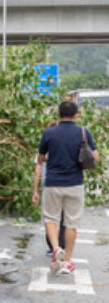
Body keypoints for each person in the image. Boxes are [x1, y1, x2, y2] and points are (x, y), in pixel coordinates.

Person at [37, 101, 99, 275]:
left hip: (53, 183)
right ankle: (67, 262)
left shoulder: (49, 133)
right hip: (75, 184)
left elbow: (41, 158)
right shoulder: (83, 132)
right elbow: (95, 158)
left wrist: (55, 158)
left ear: (58, 115)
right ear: (75, 116)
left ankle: (56, 248)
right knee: (71, 223)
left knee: (51, 219)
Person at [32, 121, 65, 257]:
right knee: (63, 219)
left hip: (49, 186)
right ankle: (62, 246)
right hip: (66, 185)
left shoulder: (43, 150)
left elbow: (37, 170)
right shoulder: (64, 148)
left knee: (50, 218)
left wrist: (35, 191)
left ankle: (53, 247)